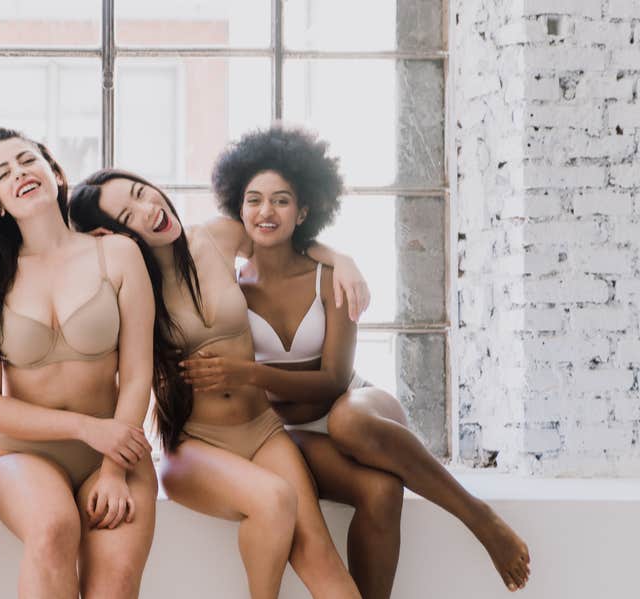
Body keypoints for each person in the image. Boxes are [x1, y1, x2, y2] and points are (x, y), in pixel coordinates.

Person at [182, 125, 532, 595]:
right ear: (238, 208)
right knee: (381, 492)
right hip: (286, 432)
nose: (266, 211)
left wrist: (248, 373)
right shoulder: (230, 291)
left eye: (281, 200)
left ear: (303, 209)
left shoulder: (331, 277)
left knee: (349, 422)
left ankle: (479, 517)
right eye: (254, 199)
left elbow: (332, 380)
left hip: (352, 403)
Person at [69, 168, 367, 599]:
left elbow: (285, 241)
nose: (149, 209)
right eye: (129, 214)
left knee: (321, 558)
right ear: (111, 233)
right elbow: (123, 380)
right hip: (196, 444)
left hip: (263, 429)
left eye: (142, 193)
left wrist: (342, 259)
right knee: (273, 500)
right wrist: (110, 467)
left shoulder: (220, 236)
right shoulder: (126, 284)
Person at [0, 128, 157, 599]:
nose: (19, 173)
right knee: (52, 527)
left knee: (116, 585)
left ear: (54, 173)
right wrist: (87, 428)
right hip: (20, 454)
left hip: (116, 449)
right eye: (3, 173)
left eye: (27, 160)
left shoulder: (117, 254)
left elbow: (138, 372)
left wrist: (113, 468)